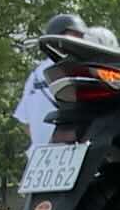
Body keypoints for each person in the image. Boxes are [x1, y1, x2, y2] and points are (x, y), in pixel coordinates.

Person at [14, 13, 88, 153]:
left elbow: (24, 121)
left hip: (39, 158)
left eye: (80, 39)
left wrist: (43, 143)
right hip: (70, 156)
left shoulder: (35, 75)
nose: (78, 44)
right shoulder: (77, 69)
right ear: (56, 39)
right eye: (73, 38)